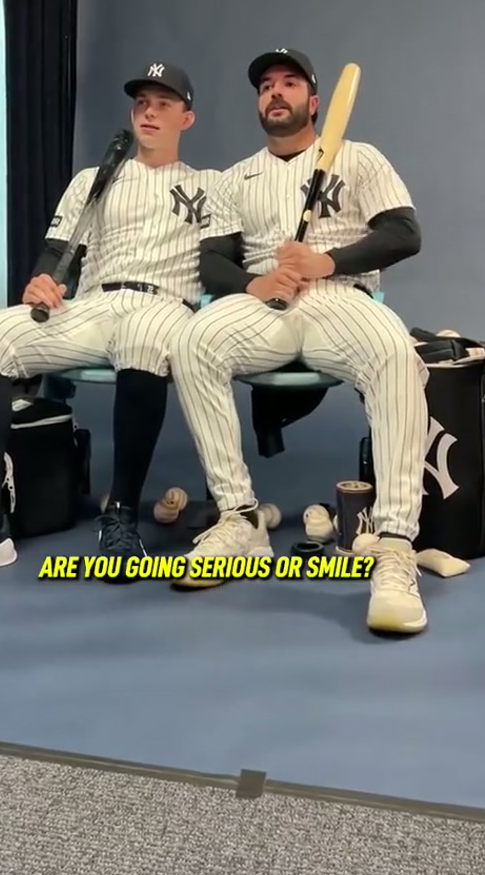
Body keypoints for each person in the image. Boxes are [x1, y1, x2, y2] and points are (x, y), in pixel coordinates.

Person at [0, 63, 219, 589]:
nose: (149, 110)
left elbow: (229, 256)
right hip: (95, 303)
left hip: (165, 305)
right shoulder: (93, 180)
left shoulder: (212, 186)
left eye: (163, 103)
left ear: (186, 118)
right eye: (142, 101)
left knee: (145, 339)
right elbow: (58, 252)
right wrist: (41, 281)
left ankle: (120, 514)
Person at [169, 48, 430, 635]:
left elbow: (404, 232)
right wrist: (253, 282)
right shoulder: (238, 176)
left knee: (394, 352)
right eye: (266, 85)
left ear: (314, 102)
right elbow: (211, 260)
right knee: (193, 341)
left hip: (340, 296)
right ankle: (240, 520)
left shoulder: (358, 158)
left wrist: (325, 259)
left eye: (289, 83)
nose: (276, 92)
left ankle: (393, 545)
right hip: (266, 304)